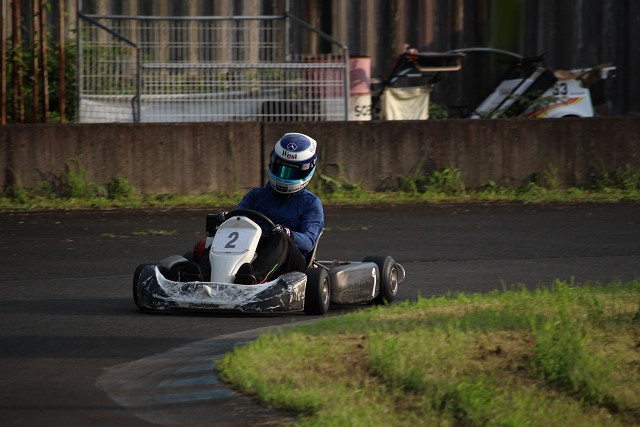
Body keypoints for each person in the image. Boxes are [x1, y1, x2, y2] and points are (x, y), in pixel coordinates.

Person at [194, 132, 324, 285]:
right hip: (252, 251)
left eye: (291, 172)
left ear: (307, 170)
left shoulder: (311, 203)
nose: (284, 176)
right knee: (225, 233)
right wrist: (226, 219)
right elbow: (237, 221)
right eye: (280, 169)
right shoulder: (256, 195)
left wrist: (288, 233)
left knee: (281, 238)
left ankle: (253, 279)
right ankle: (201, 275)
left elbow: (308, 242)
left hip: (289, 263)